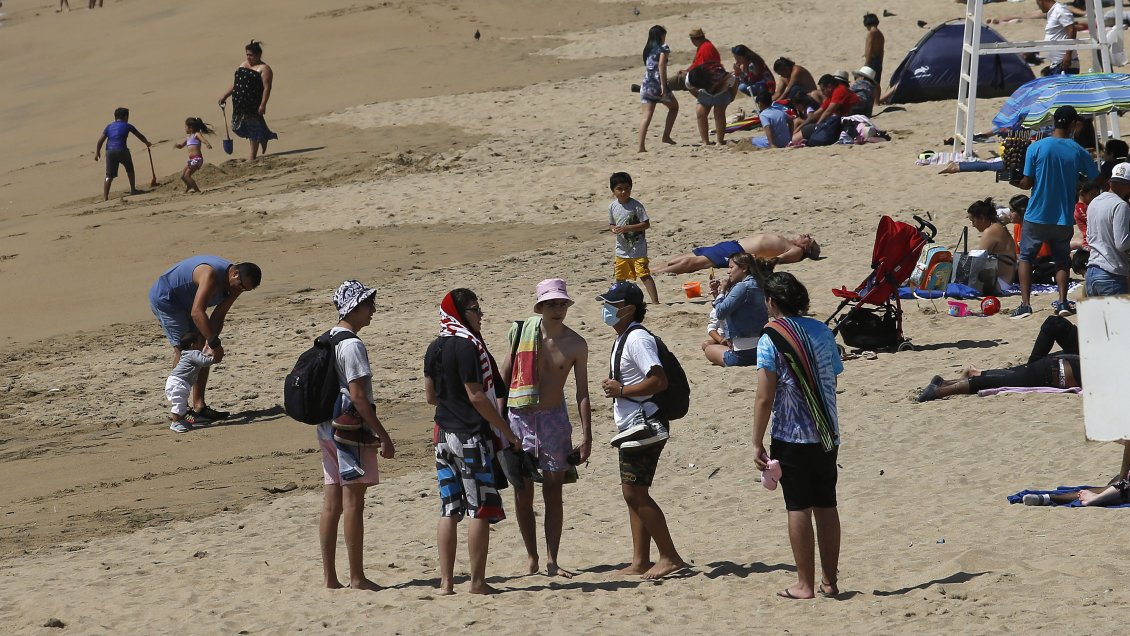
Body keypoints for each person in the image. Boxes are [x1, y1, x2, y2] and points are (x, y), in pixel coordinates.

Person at [423, 289, 523, 595]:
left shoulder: (434, 346)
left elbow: (430, 397)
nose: (481, 315)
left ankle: (446, 583)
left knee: (448, 509)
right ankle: (477, 583)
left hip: (442, 435)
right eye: (475, 309)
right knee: (480, 508)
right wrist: (507, 432)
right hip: (469, 435)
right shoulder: (467, 346)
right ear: (460, 313)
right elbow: (476, 396)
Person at [752, 272, 844, 600]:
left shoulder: (771, 339)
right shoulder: (822, 331)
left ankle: (804, 584)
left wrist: (756, 440)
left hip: (791, 435)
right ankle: (830, 582)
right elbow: (832, 376)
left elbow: (765, 396)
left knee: (798, 507)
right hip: (826, 432)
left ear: (773, 302)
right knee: (826, 504)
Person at [499, 279, 592, 578]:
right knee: (522, 492)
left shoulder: (576, 344)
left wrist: (587, 434)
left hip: (553, 420)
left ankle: (552, 559)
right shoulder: (521, 333)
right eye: (551, 304)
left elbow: (582, 392)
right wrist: (497, 426)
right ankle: (532, 557)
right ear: (540, 307)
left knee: (554, 492)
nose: (558, 309)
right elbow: (503, 378)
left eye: (562, 303)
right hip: (519, 418)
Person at [597, 282, 687, 580]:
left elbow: (658, 380)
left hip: (644, 424)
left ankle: (670, 557)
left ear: (629, 309)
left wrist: (622, 389)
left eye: (612, 305)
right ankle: (640, 561)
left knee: (634, 493)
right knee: (634, 494)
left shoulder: (637, 339)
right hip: (633, 425)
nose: (606, 310)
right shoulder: (626, 336)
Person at [319, 280, 396, 591]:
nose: (373, 310)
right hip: (350, 432)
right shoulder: (352, 345)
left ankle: (330, 578)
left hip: (326, 429)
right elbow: (359, 397)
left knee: (331, 504)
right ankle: (357, 577)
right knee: (352, 505)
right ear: (354, 307)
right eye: (368, 304)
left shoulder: (328, 338)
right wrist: (383, 435)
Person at [148, 256, 262, 425]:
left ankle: (199, 407)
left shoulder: (233, 284)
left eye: (246, 290)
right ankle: (181, 412)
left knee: (202, 348)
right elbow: (197, 313)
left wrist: (211, 342)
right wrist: (215, 343)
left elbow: (217, 318)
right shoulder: (211, 275)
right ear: (235, 274)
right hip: (167, 299)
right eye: (241, 286)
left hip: (188, 303)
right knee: (185, 349)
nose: (241, 290)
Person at [1009, 105, 1098, 318]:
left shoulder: (1037, 147)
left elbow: (1027, 182)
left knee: (1026, 258)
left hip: (1036, 214)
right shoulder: (1078, 151)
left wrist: (1017, 182)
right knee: (1061, 260)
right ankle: (1062, 302)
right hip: (1063, 216)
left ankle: (1025, 304)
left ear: (1054, 121)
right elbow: (1095, 178)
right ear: (1073, 124)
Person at [916, 314, 1081, 402]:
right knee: (1013, 378)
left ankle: (945, 385)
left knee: (1017, 375)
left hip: (1062, 365)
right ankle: (940, 391)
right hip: (1059, 370)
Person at [703, 253, 769, 367]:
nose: (728, 271)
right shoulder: (758, 283)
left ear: (744, 268)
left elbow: (720, 313)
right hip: (763, 347)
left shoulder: (742, 287)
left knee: (708, 349)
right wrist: (719, 295)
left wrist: (722, 291)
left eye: (731, 267)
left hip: (744, 353)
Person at [218, 40, 277, 160]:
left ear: (258, 55)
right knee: (235, 127)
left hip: (252, 103)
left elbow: (267, 88)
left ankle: (252, 156)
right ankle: (263, 137)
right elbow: (236, 83)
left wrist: (263, 104)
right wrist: (225, 96)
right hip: (239, 103)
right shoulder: (243, 64)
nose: (248, 57)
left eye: (251, 55)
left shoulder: (264, 69)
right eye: (247, 54)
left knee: (252, 129)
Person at [608, 171, 660, 304]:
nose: (624, 192)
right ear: (613, 190)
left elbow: (646, 224)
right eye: (619, 189)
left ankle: (655, 302)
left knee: (644, 274)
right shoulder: (612, 206)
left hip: (638, 249)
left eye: (627, 188)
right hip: (621, 249)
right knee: (620, 277)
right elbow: (611, 223)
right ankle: (620, 301)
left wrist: (627, 228)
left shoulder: (636, 206)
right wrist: (614, 229)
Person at [653, 233, 820, 275]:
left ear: (807, 249)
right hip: (733, 245)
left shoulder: (797, 251)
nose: (806, 236)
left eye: (809, 240)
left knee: (693, 262)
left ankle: (656, 273)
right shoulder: (790, 242)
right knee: (687, 255)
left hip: (737, 252)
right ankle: (651, 271)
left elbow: (778, 260)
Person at [1084, 162, 1130, 296]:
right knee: (1119, 317)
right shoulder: (1121, 205)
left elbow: (1089, 237)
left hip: (1091, 273)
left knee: (1098, 317)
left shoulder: (1094, 202)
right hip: (1111, 274)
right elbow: (1122, 244)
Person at [94, 107, 152, 201]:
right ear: (125, 117)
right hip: (122, 150)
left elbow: (100, 141)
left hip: (109, 151)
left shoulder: (109, 126)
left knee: (109, 175)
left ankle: (105, 196)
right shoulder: (127, 125)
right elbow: (139, 135)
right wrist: (146, 142)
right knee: (129, 168)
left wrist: (97, 153)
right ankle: (133, 189)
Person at [637, 25, 679, 153]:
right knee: (674, 107)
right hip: (657, 84)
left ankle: (641, 146)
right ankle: (666, 136)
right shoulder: (663, 47)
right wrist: (663, 85)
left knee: (646, 116)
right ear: (661, 36)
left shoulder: (647, 49)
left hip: (646, 85)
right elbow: (661, 64)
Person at [164, 334, 215, 434]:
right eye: (200, 342)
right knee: (179, 405)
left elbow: (201, 358)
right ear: (193, 344)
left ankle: (183, 420)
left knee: (182, 405)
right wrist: (214, 356)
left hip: (176, 382)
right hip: (179, 383)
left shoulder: (186, 353)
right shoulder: (193, 353)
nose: (202, 344)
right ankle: (175, 423)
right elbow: (205, 362)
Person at [966, 198, 1019, 291]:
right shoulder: (999, 226)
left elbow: (977, 262)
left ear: (982, 218)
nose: (973, 225)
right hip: (1007, 280)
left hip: (999, 283)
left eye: (973, 221)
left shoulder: (990, 231)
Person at [793, 73, 859, 144]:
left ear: (829, 87)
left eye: (823, 90)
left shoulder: (839, 91)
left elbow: (828, 112)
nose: (822, 93)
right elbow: (819, 112)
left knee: (796, 138)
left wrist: (817, 126)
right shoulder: (832, 95)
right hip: (844, 120)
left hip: (850, 121)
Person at [687, 63, 738, 146]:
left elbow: (734, 85)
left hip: (722, 92)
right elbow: (690, 88)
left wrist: (732, 97)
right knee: (700, 113)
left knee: (719, 114)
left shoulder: (725, 78)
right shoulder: (691, 78)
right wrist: (699, 97)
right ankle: (705, 142)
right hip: (704, 93)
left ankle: (719, 141)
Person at [1037, 0, 1079, 75]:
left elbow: (1072, 30)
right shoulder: (1052, 12)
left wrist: (1068, 55)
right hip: (1057, 64)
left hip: (1065, 64)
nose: (1039, 6)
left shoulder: (1060, 10)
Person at [174, 117, 214, 194]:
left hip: (197, 159)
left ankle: (197, 190)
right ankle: (189, 186)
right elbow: (181, 146)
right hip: (192, 160)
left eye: (185, 127)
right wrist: (178, 146)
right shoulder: (188, 137)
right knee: (182, 176)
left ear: (191, 128)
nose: (185, 128)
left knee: (187, 175)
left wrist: (207, 144)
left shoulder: (196, 134)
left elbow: (203, 140)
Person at [1071, 180, 1101, 252]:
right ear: (1082, 193)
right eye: (1092, 194)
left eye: (1096, 195)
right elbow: (1089, 221)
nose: (1095, 198)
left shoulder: (1088, 206)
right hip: (1088, 242)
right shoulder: (1079, 208)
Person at [862, 13, 885, 84]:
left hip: (871, 61)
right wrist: (880, 63)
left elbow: (869, 49)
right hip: (878, 62)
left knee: (868, 82)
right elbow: (882, 51)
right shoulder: (881, 35)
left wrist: (866, 64)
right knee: (876, 83)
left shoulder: (871, 33)